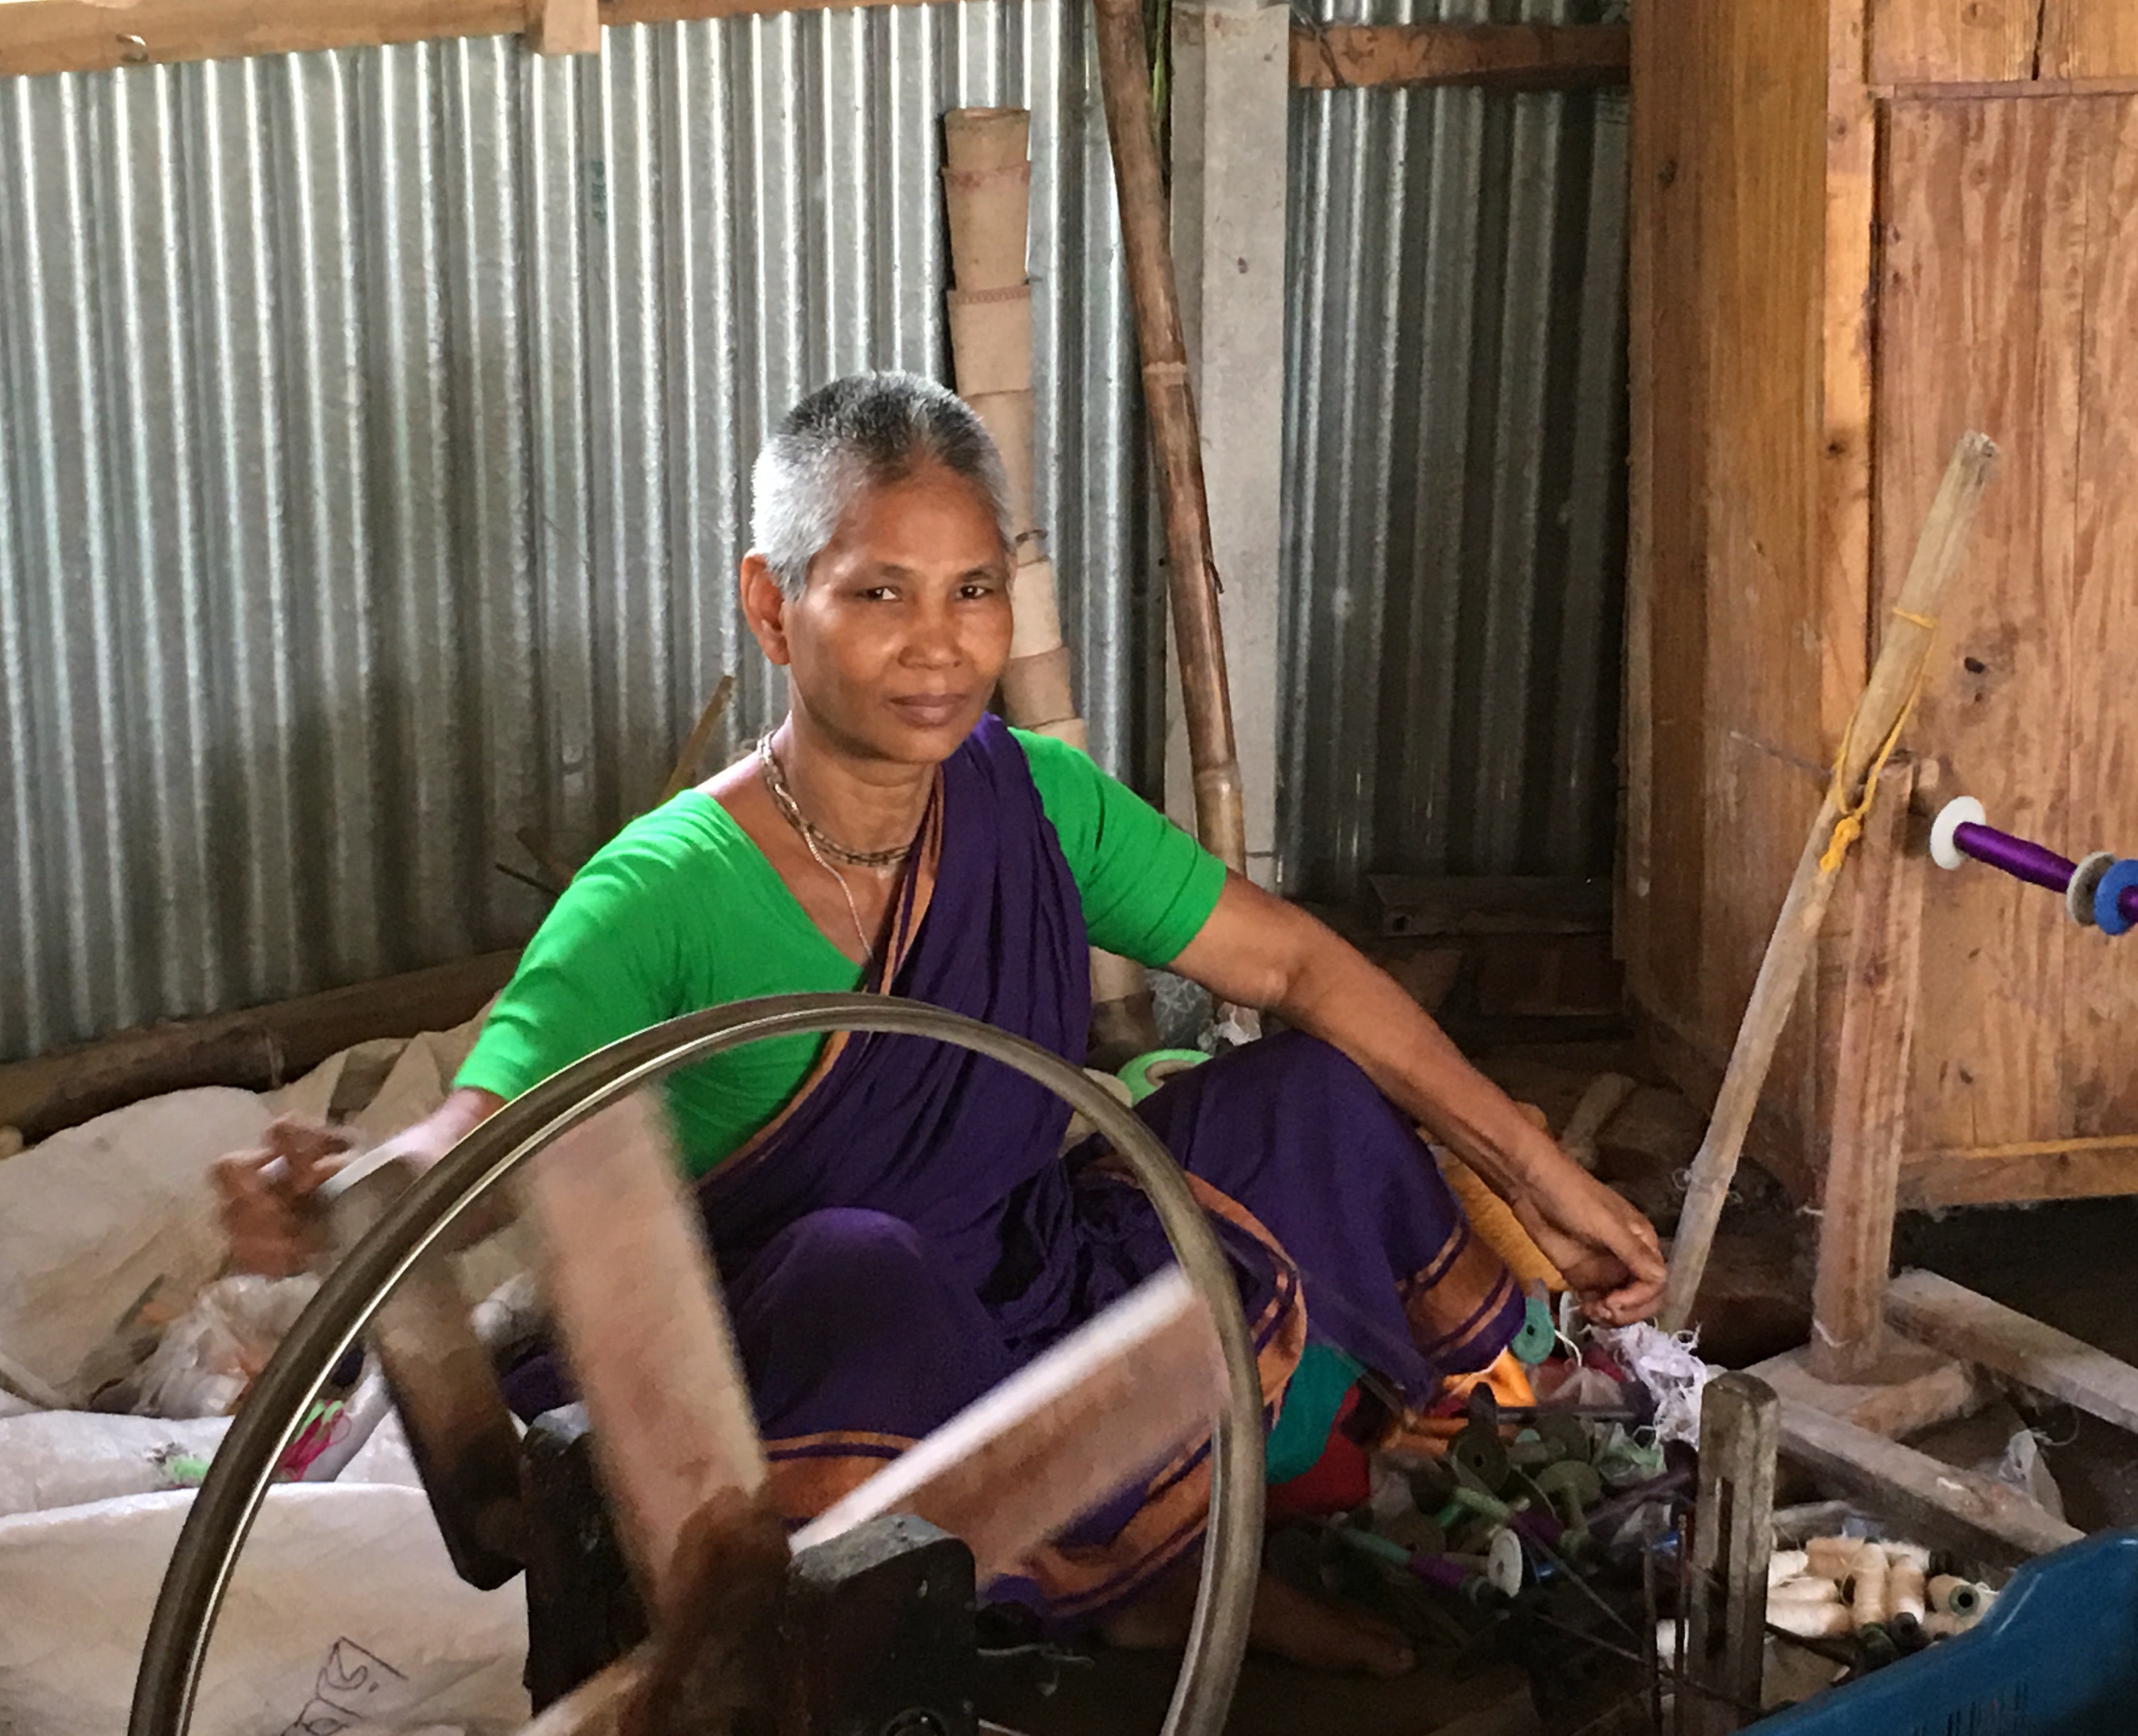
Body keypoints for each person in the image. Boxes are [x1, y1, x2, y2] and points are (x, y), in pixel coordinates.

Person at [216, 371, 1663, 1674]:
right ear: (772, 606)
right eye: (879, 593)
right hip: (798, 1358)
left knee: (1306, 1101)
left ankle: (1148, 1570)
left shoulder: (1030, 800)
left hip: (1016, 1278)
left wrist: (1549, 1178)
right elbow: (487, 1138)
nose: (939, 649)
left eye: (974, 592)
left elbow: (1288, 966)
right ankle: (1093, 1590)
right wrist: (346, 1197)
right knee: (868, 1265)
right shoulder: (662, 893)